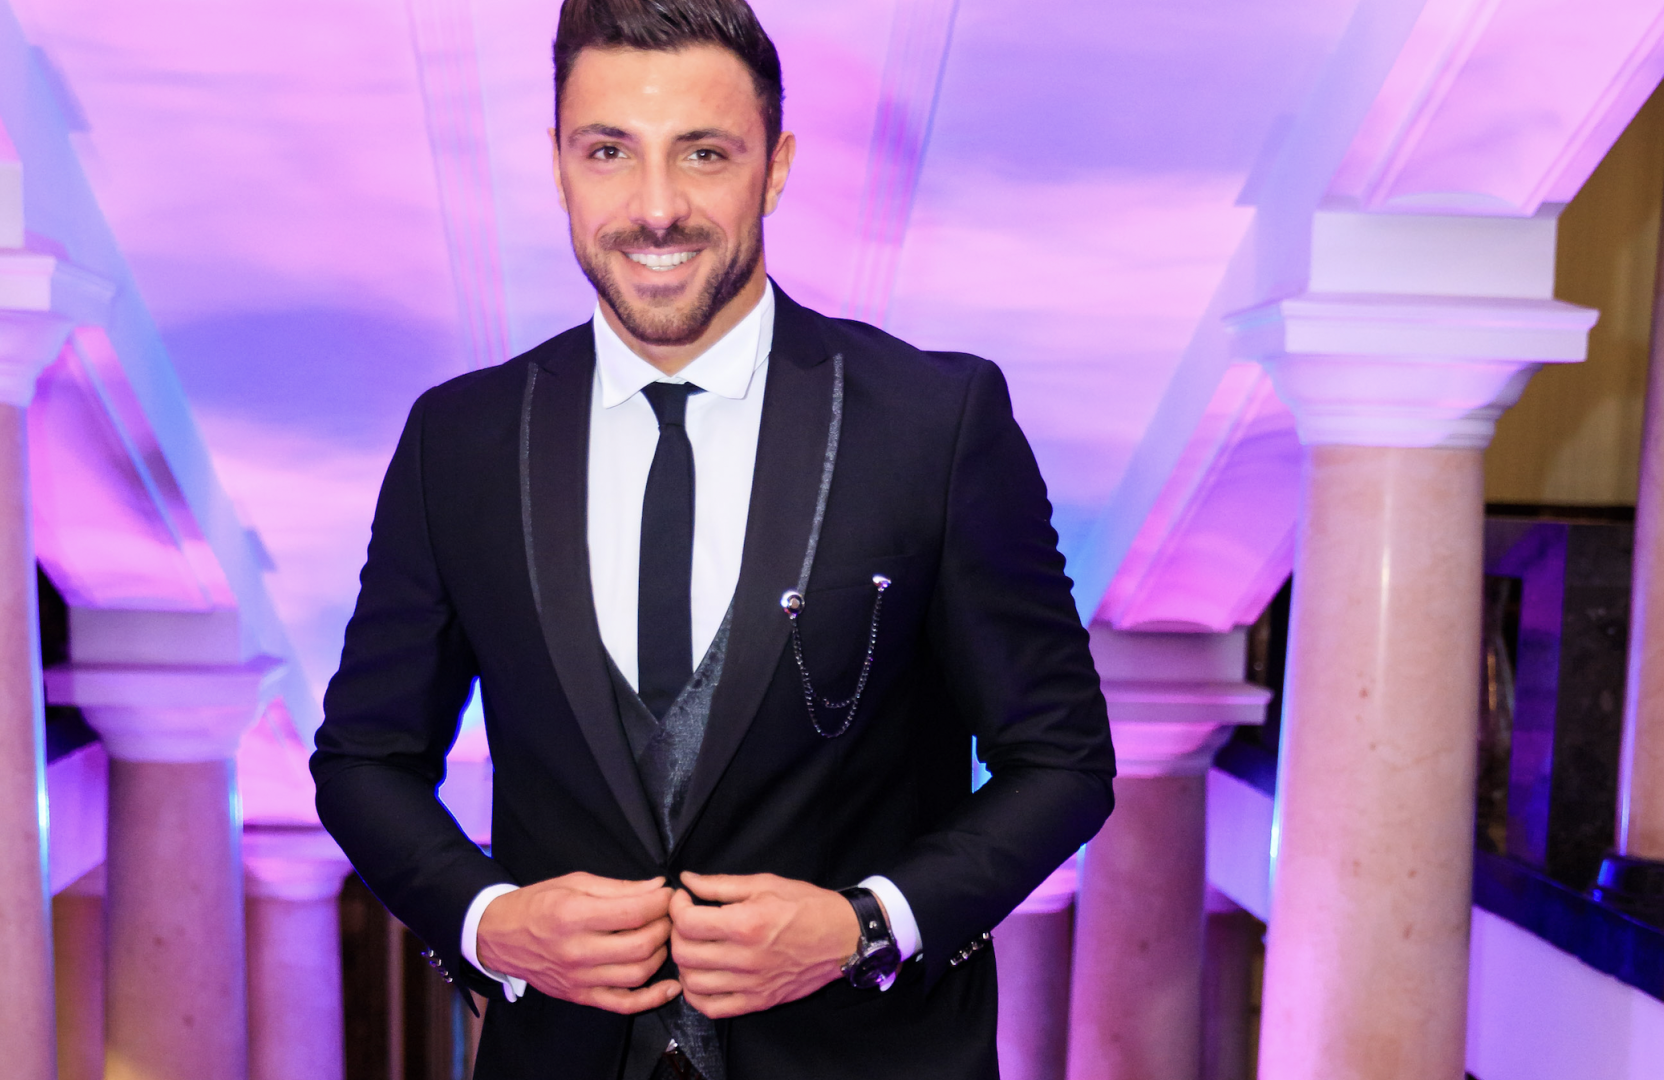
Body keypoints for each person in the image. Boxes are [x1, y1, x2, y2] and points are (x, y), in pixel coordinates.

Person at [310, 1, 1114, 1076]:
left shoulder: (937, 422)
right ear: (559, 166)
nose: (656, 209)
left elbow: (1062, 761)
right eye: (609, 152)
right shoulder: (458, 440)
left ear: (774, 169)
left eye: (703, 153)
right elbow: (364, 759)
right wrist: (489, 921)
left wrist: (867, 925)